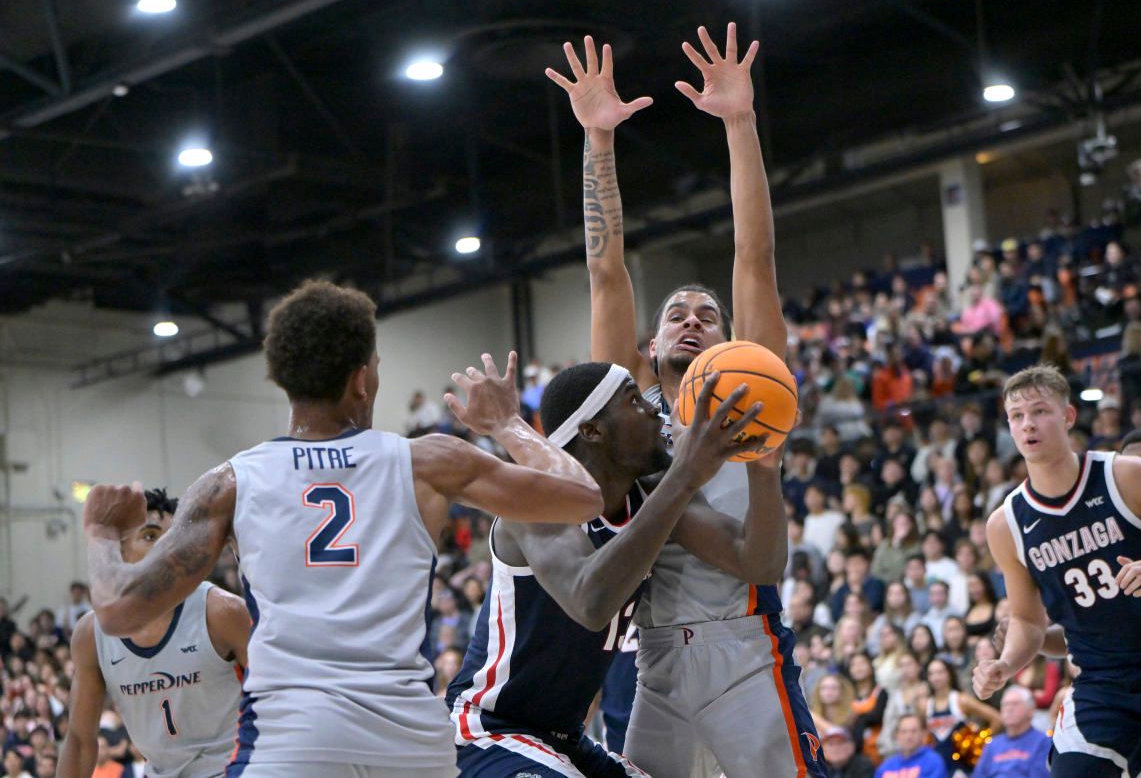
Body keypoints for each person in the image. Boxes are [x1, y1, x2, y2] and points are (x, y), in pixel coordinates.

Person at [80, 281, 605, 778]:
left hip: (296, 739)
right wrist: (506, 422)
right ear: (360, 378)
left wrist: (102, 533)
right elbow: (584, 496)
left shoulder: (230, 483)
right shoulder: (428, 461)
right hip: (412, 741)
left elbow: (119, 609)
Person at [549, 27, 824, 777]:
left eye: (708, 313)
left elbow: (754, 256)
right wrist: (597, 140)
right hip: (654, 657)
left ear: (733, 341)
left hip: (744, 640)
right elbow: (606, 272)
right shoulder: (626, 412)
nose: (694, 318)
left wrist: (741, 122)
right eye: (676, 312)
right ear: (647, 346)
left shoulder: (755, 395)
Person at [448, 364, 780, 777]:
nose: (655, 411)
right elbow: (590, 601)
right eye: (634, 400)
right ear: (592, 431)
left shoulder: (653, 496)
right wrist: (685, 475)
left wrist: (764, 468)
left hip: (565, 739)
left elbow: (759, 562)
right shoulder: (534, 501)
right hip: (491, 729)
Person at [974, 364, 1141, 777]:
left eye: (1040, 411)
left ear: (1068, 416)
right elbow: (1026, 619)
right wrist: (1006, 664)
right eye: (1017, 416)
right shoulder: (1006, 524)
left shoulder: (1126, 475)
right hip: (1103, 682)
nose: (1029, 424)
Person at [57, 487, 248, 778]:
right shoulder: (91, 635)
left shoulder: (222, 612)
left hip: (235, 768)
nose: (165, 548)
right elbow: (81, 741)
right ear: (118, 552)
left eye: (173, 539)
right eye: (150, 536)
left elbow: (285, 702)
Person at [973, 687, 1051, 778]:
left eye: (1015, 704)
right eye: (1005, 705)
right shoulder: (993, 744)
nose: (1009, 709)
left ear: (1031, 710)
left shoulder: (1043, 742)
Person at [874, 714, 946, 778]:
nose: (908, 736)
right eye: (904, 731)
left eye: (913, 731)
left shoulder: (933, 761)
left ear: (923, 733)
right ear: (897, 735)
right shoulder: (886, 766)